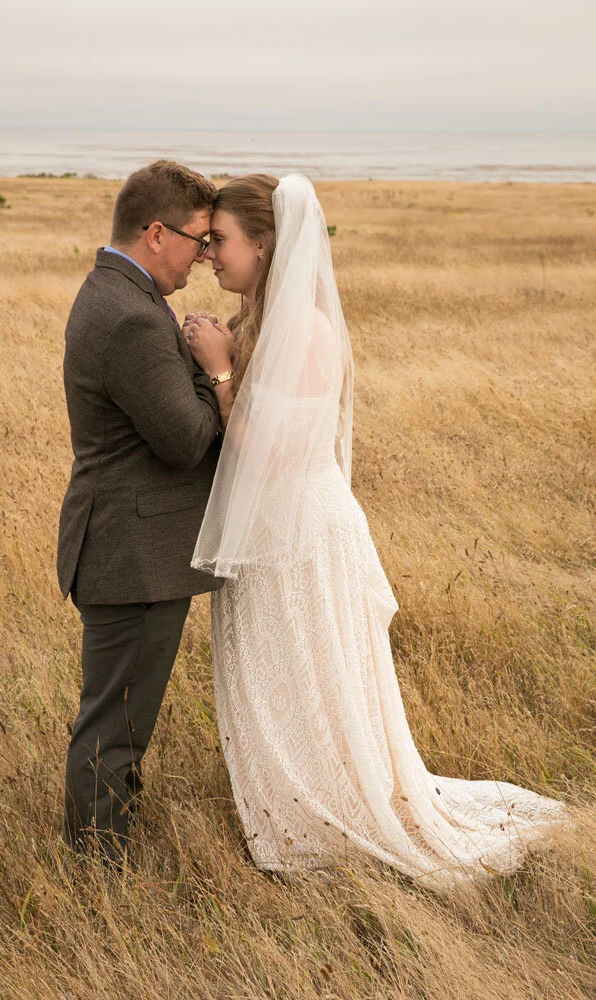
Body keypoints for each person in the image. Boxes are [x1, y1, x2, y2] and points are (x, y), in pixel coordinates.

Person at [182, 173, 567, 890]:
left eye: (220, 240)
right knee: (280, 676)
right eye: (203, 242)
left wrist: (219, 370)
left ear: (263, 244)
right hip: (274, 532)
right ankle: (292, 802)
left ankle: (328, 816)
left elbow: (269, 453)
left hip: (299, 534)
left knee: (309, 676)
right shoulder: (264, 317)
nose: (208, 253)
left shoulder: (302, 327)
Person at [57, 160, 234, 861]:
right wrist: (217, 372)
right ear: (155, 232)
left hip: (129, 545)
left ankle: (106, 844)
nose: (205, 254)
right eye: (198, 238)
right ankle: (100, 867)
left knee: (120, 715)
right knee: (116, 723)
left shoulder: (124, 292)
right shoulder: (129, 314)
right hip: (130, 552)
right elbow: (186, 440)